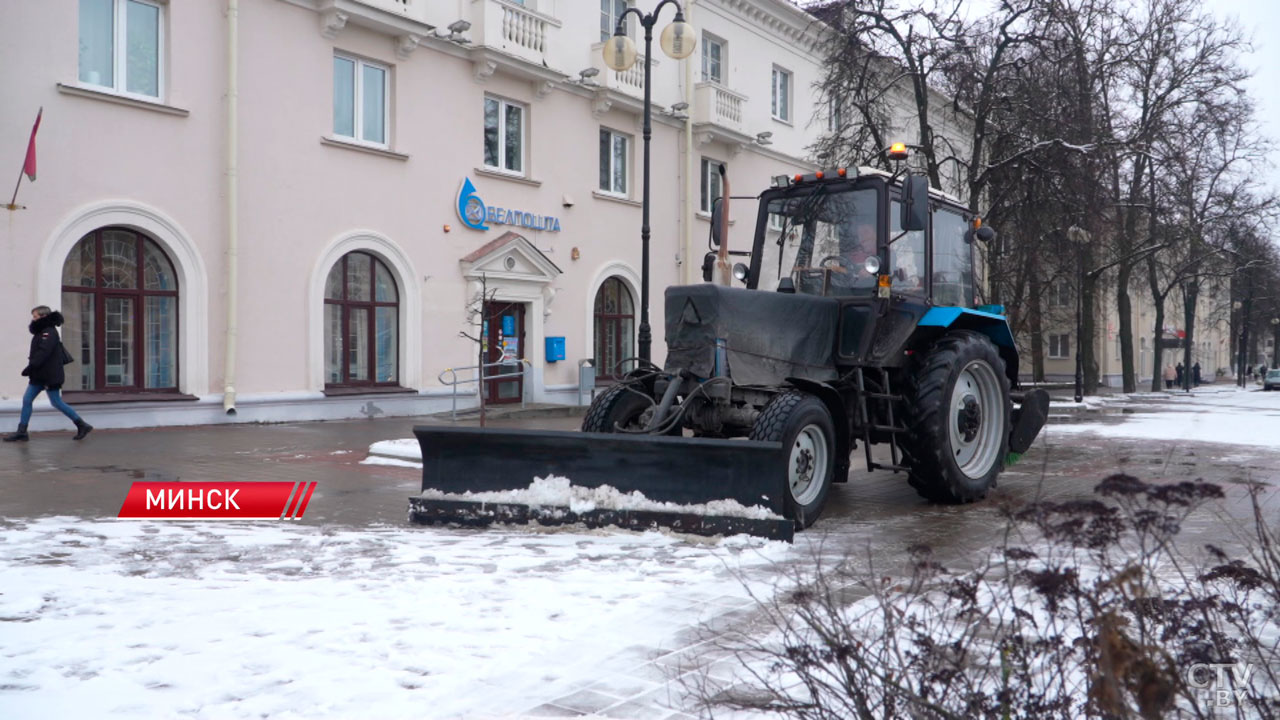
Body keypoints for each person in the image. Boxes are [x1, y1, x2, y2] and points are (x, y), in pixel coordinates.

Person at [4, 306, 92, 442]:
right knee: (27, 400)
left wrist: (30, 367)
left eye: (35, 316)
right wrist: (33, 369)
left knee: (56, 402)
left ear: (43, 317)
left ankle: (82, 424)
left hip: (49, 377)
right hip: (39, 375)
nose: (33, 319)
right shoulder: (42, 331)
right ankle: (22, 432)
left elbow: (43, 353)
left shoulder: (49, 332)